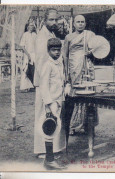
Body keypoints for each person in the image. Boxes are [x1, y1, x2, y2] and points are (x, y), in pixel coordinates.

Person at [34, 8, 66, 158]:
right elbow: (42, 64)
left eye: (56, 19)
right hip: (45, 83)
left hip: (53, 83)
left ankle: (53, 149)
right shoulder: (42, 37)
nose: (54, 22)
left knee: (54, 116)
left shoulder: (52, 34)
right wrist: (46, 87)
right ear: (45, 21)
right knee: (44, 115)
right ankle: (42, 150)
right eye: (51, 20)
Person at [63, 15, 96, 135]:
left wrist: (90, 53)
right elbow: (65, 55)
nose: (80, 24)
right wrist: (66, 72)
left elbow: (96, 51)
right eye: (78, 22)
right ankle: (73, 125)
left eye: (82, 22)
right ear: (74, 24)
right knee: (74, 96)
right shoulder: (69, 37)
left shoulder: (90, 35)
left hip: (87, 68)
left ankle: (88, 125)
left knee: (89, 94)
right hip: (74, 69)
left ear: (85, 23)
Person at [40, 38, 66, 170]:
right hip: (51, 101)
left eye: (58, 50)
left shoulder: (59, 62)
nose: (56, 52)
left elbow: (61, 80)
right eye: (53, 50)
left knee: (55, 127)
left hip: (58, 99)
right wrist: (48, 105)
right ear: (48, 51)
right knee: (49, 128)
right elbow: (43, 86)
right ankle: (49, 160)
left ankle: (49, 158)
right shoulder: (47, 65)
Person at [19, 21, 36, 92]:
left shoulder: (35, 34)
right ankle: (24, 87)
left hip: (34, 54)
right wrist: (28, 55)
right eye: (30, 25)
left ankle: (32, 86)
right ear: (27, 26)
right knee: (26, 69)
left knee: (34, 70)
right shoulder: (25, 34)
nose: (31, 27)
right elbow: (22, 46)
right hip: (27, 54)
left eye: (33, 25)